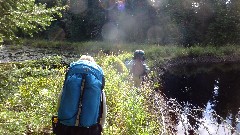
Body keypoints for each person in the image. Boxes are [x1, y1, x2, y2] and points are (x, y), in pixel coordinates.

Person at [55, 55, 107, 135]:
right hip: (89, 130)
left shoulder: (71, 80)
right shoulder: (97, 86)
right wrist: (100, 128)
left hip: (65, 128)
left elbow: (60, 105)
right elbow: (103, 113)